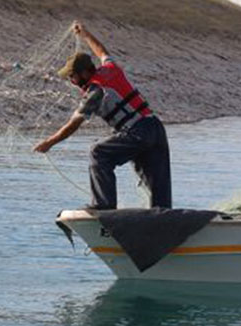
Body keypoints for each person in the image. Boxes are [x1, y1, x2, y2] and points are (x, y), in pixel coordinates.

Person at [33, 21, 171, 210]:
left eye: (72, 76)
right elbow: (101, 51)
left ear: (83, 73)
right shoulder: (110, 69)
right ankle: (165, 217)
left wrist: (49, 142)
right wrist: (85, 34)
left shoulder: (95, 91)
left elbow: (74, 124)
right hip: (155, 128)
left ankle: (103, 207)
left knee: (98, 153)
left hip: (137, 132)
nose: (71, 81)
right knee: (157, 188)